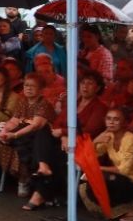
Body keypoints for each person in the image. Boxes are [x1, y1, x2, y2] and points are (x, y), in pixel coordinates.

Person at [24, 70, 109, 210]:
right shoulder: (74, 103)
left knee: (54, 153)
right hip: (64, 141)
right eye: (83, 83)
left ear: (98, 87)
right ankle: (43, 167)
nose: (85, 86)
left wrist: (64, 133)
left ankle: (40, 193)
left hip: (83, 144)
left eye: (90, 83)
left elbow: (89, 130)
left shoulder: (100, 107)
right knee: (43, 132)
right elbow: (57, 123)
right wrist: (64, 136)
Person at [0, 73, 56, 197]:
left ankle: (24, 179)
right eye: (26, 85)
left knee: (21, 144)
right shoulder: (23, 102)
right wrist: (5, 131)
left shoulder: (44, 103)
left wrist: (14, 135)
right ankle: (21, 178)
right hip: (22, 133)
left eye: (33, 86)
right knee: (1, 142)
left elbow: (36, 125)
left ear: (41, 89)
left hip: (39, 137)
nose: (28, 88)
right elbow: (14, 121)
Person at [89, 108, 133, 221]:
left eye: (116, 119)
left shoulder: (131, 139)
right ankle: (120, 209)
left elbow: (124, 170)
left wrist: (98, 168)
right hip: (124, 179)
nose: (111, 122)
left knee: (105, 177)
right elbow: (92, 156)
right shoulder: (109, 136)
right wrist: (95, 141)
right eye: (108, 119)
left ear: (124, 123)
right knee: (90, 178)